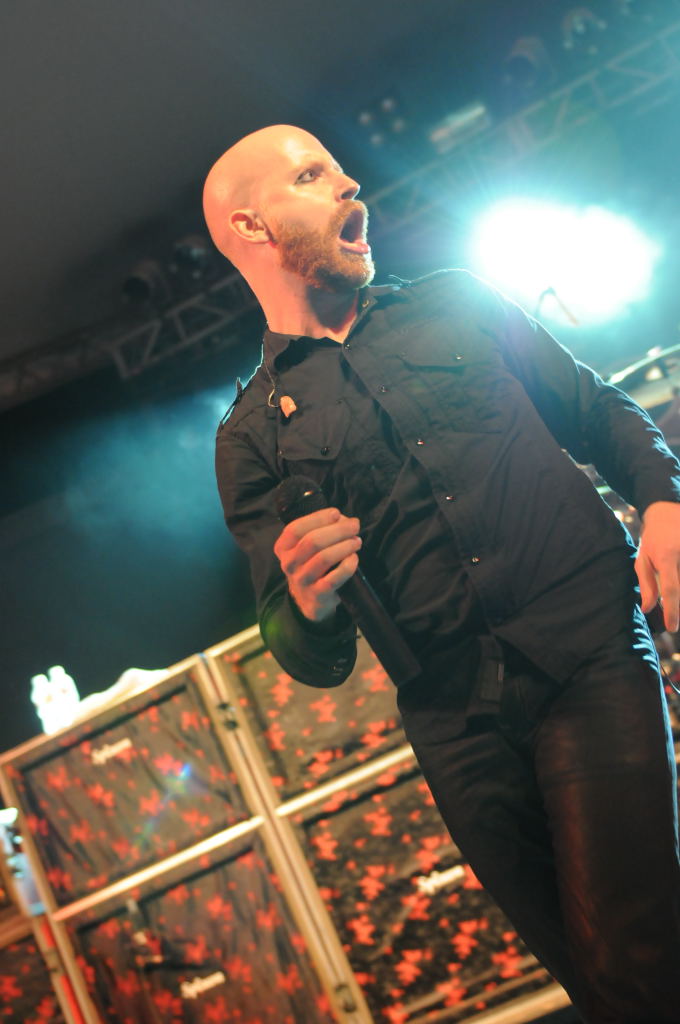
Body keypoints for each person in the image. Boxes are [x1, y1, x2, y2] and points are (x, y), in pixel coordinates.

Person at [203, 124, 680, 1023]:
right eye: (312, 176)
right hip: (456, 719)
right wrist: (306, 602)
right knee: (596, 978)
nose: (349, 185)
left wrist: (665, 504)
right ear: (252, 227)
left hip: (588, 652)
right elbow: (302, 649)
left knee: (631, 961)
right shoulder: (251, 438)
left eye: (342, 170)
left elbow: (601, 413)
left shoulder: (458, 301)